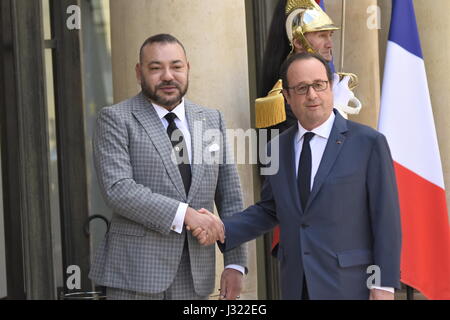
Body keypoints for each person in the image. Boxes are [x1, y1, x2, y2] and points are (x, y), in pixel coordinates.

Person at [195, 53, 402, 300]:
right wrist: (223, 228)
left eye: (319, 85)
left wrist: (383, 284)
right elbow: (271, 209)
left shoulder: (368, 143)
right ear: (287, 97)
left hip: (350, 285)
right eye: (302, 88)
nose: (312, 95)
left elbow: (385, 218)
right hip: (296, 283)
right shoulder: (276, 148)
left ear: (331, 88)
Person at [89, 34, 247, 300]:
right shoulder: (115, 119)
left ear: (188, 68)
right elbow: (119, 189)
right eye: (155, 68)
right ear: (139, 73)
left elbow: (229, 195)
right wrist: (187, 215)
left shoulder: (211, 119)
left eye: (176, 66)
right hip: (135, 277)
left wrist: (234, 263)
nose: (167, 76)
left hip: (195, 277)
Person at [256, 0, 362, 257]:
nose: (329, 43)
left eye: (330, 35)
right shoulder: (280, 98)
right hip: (306, 214)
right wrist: (333, 109)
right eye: (321, 36)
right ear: (300, 41)